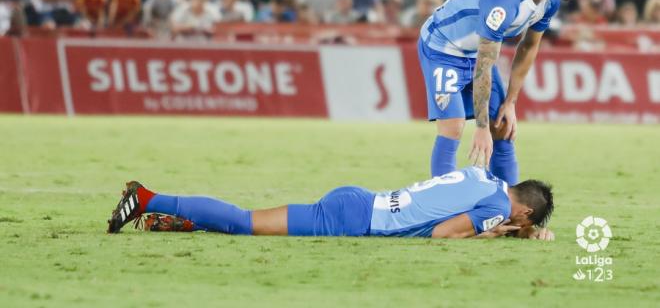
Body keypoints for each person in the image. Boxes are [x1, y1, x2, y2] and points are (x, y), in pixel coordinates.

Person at [418, 0, 581, 185]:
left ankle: (510, 214)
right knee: (453, 127)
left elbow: (528, 48)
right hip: (442, 48)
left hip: (475, 52)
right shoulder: (504, 3)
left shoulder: (550, 1)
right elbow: (484, 64)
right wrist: (482, 128)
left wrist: (511, 102)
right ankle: (443, 212)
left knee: (503, 128)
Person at [107, 166, 554, 240]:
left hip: (361, 198)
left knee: (251, 223)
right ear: (524, 213)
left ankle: (185, 223)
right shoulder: (498, 209)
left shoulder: (486, 178)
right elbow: (441, 235)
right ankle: (147, 198)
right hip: (354, 220)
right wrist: (489, 233)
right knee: (247, 223)